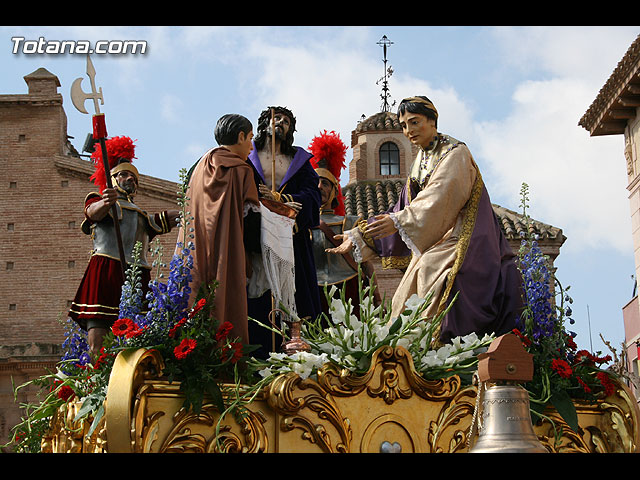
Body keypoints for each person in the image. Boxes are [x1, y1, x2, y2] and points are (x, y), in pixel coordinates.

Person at [328, 96, 523, 344]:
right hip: (434, 237)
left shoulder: (455, 153)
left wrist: (399, 221)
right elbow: (402, 206)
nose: (408, 131)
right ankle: (407, 349)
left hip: (465, 237)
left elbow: (438, 199)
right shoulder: (421, 160)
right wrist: (361, 235)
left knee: (429, 266)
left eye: (415, 122)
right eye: (404, 125)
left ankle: (433, 344)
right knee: (414, 275)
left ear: (433, 121)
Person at [69, 136, 180, 356]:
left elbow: (160, 221)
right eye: (124, 174)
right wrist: (106, 201)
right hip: (106, 269)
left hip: (137, 273)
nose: (131, 179)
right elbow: (93, 213)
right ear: (113, 178)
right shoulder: (101, 200)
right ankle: (96, 371)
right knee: (99, 331)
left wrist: (187, 210)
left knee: (137, 334)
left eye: (134, 177)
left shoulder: (141, 215)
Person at [247, 106, 322, 358]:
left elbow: (313, 193)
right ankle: (257, 351)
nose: (281, 123)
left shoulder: (298, 160)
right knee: (257, 288)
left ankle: (294, 349)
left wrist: (282, 199)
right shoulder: (248, 155)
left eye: (287, 121)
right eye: (276, 118)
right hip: (254, 235)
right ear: (263, 125)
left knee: (293, 291)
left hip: (290, 236)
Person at [180, 114, 260, 347]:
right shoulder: (241, 170)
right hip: (227, 252)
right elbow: (251, 219)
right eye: (250, 138)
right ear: (241, 136)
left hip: (195, 250)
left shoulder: (198, 168)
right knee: (225, 307)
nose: (251, 146)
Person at [308, 130, 381, 319]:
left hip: (348, 289)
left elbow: (366, 264)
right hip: (312, 291)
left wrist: (376, 296)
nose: (319, 187)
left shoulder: (352, 222)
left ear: (334, 191)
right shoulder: (301, 224)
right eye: (316, 183)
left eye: (325, 184)